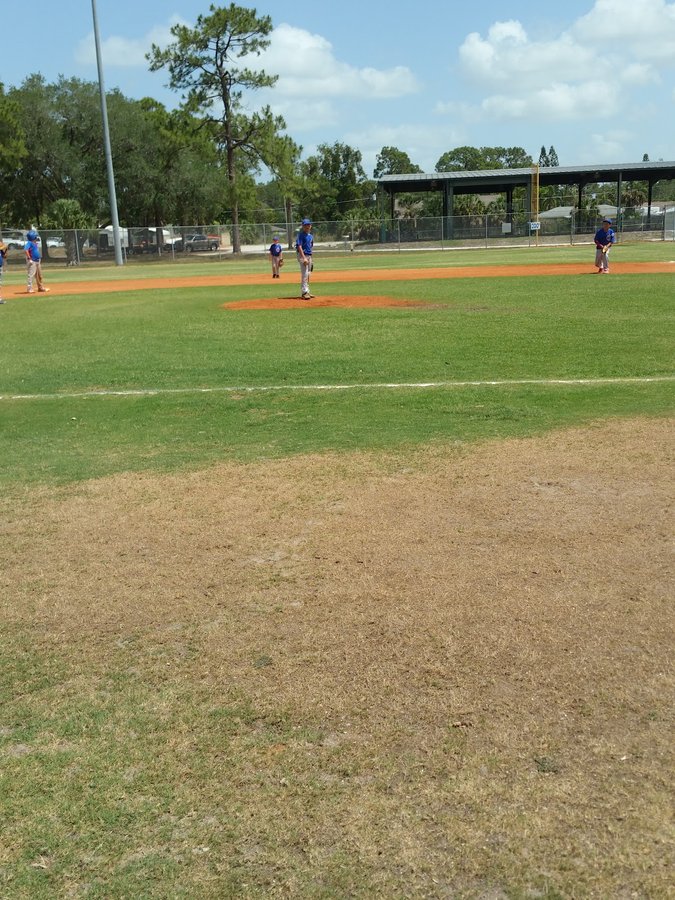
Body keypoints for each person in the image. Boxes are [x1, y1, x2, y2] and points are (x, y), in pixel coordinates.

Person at [295, 218, 315, 299]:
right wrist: (304, 258)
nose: (307, 226)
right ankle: (304, 292)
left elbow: (310, 247)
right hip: (302, 255)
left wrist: (311, 258)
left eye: (308, 224)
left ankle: (307, 291)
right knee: (305, 274)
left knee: (308, 274)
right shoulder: (301, 235)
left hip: (309, 255)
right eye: (305, 225)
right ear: (302, 226)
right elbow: (299, 246)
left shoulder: (311, 236)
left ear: (310, 226)